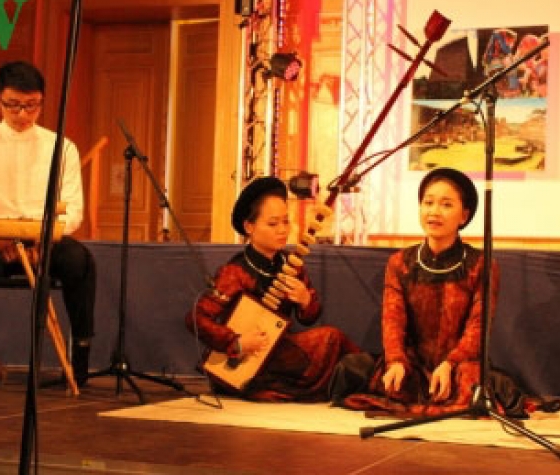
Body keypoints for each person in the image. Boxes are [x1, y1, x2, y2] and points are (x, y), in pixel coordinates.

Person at [0, 61, 95, 387]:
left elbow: (73, 210)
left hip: (43, 240)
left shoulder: (62, 147)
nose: (23, 114)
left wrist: (42, 237)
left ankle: (81, 357)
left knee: (80, 260)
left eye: (32, 106)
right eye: (13, 105)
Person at [185, 176, 361, 401]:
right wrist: (236, 341)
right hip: (247, 362)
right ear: (249, 227)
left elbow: (310, 316)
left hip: (279, 351)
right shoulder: (235, 272)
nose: (282, 230)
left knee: (330, 342)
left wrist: (305, 300)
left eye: (286, 222)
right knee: (330, 339)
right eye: (273, 223)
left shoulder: (291, 264)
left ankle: (361, 379)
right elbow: (196, 318)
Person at [341, 168, 498, 415]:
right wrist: (396, 362)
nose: (434, 211)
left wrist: (450, 364)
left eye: (446, 204)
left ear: (464, 216)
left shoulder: (481, 264)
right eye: (428, 202)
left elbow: (478, 327)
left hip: (459, 365)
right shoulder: (400, 262)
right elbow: (393, 320)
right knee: (357, 371)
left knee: (473, 384)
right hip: (413, 364)